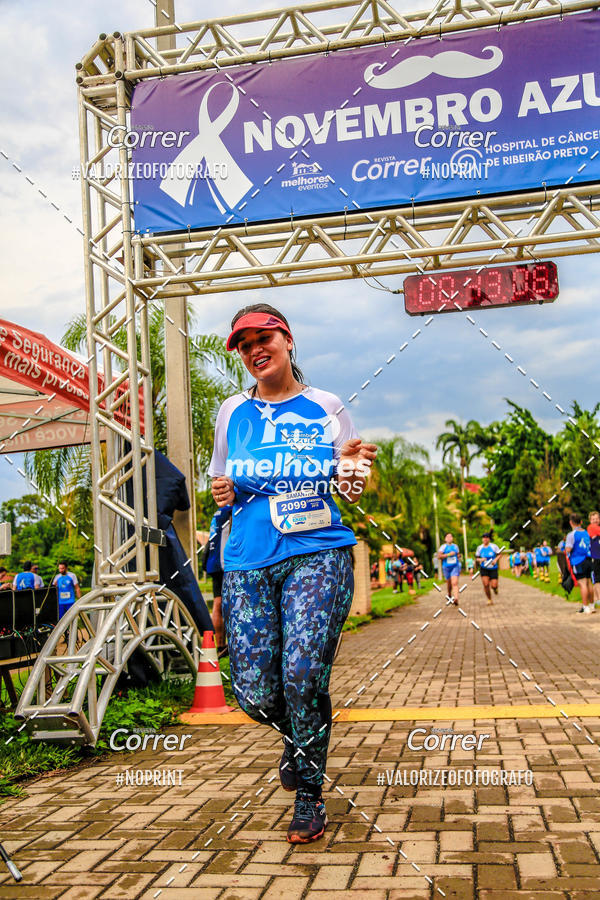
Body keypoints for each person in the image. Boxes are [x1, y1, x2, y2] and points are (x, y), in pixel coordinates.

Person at [209, 302, 377, 844]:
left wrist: (353, 467)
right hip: (248, 562)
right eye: (244, 343)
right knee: (255, 695)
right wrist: (222, 491)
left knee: (303, 676)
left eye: (265, 337)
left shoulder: (326, 406)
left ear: (287, 341)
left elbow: (349, 488)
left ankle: (309, 794)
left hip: (318, 554)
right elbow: (221, 484)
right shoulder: (231, 412)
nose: (255, 349)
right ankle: (297, 738)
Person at [202, 505, 233, 653]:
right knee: (228, 604)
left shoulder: (217, 513)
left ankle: (220, 645)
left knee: (218, 604)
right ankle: (229, 645)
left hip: (214, 563)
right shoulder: (231, 510)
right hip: (225, 563)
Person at [565, 514, 594, 614]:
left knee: (582, 584)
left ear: (571, 522)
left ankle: (585, 607)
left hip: (578, 560)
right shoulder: (586, 533)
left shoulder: (571, 535)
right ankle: (592, 605)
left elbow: (568, 549)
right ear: (581, 522)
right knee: (589, 582)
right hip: (588, 559)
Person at [475, 533, 501, 604]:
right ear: (482, 539)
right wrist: (480, 560)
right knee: (486, 584)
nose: (485, 539)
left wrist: (495, 560)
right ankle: (489, 599)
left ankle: (495, 588)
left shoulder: (494, 546)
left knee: (494, 585)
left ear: (489, 539)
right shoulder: (479, 548)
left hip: (493, 568)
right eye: (484, 537)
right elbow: (476, 558)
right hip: (484, 568)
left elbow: (499, 554)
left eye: (487, 537)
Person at [437, 533, 461, 606]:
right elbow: (439, 556)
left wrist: (458, 556)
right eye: (447, 537)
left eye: (451, 536)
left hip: (455, 566)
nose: (449, 538)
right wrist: (448, 554)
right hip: (446, 567)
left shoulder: (455, 546)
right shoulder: (443, 547)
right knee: (449, 583)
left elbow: (458, 555)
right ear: (445, 539)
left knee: (455, 582)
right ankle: (449, 594)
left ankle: (456, 598)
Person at [587, 511, 600, 609]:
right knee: (597, 579)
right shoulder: (591, 528)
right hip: (595, 557)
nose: (595, 521)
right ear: (590, 521)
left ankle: (596, 599)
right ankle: (598, 598)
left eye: (597, 519)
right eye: (593, 519)